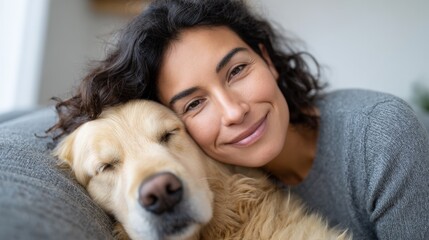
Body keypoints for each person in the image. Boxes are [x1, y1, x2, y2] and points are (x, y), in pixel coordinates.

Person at [48, 0, 429, 239]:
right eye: (194, 104)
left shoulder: (380, 134)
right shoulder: (204, 175)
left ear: (266, 58)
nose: (234, 112)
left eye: (237, 71)